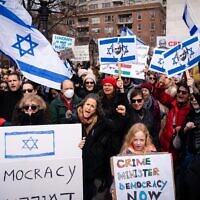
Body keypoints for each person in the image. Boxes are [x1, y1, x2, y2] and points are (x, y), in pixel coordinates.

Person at [78, 93, 116, 200]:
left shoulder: (103, 125)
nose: (89, 108)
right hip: (77, 173)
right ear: (83, 105)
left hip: (96, 176)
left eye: (92, 106)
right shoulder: (73, 121)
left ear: (96, 110)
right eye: (87, 104)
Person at [111, 123, 156, 200]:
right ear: (131, 139)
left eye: (141, 140)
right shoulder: (124, 156)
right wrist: (114, 190)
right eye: (135, 140)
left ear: (146, 139)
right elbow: (118, 176)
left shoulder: (152, 154)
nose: (138, 143)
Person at [175, 93, 200, 200]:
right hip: (190, 155)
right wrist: (186, 129)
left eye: (196, 99)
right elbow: (181, 134)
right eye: (192, 99)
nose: (194, 101)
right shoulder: (189, 114)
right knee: (187, 184)